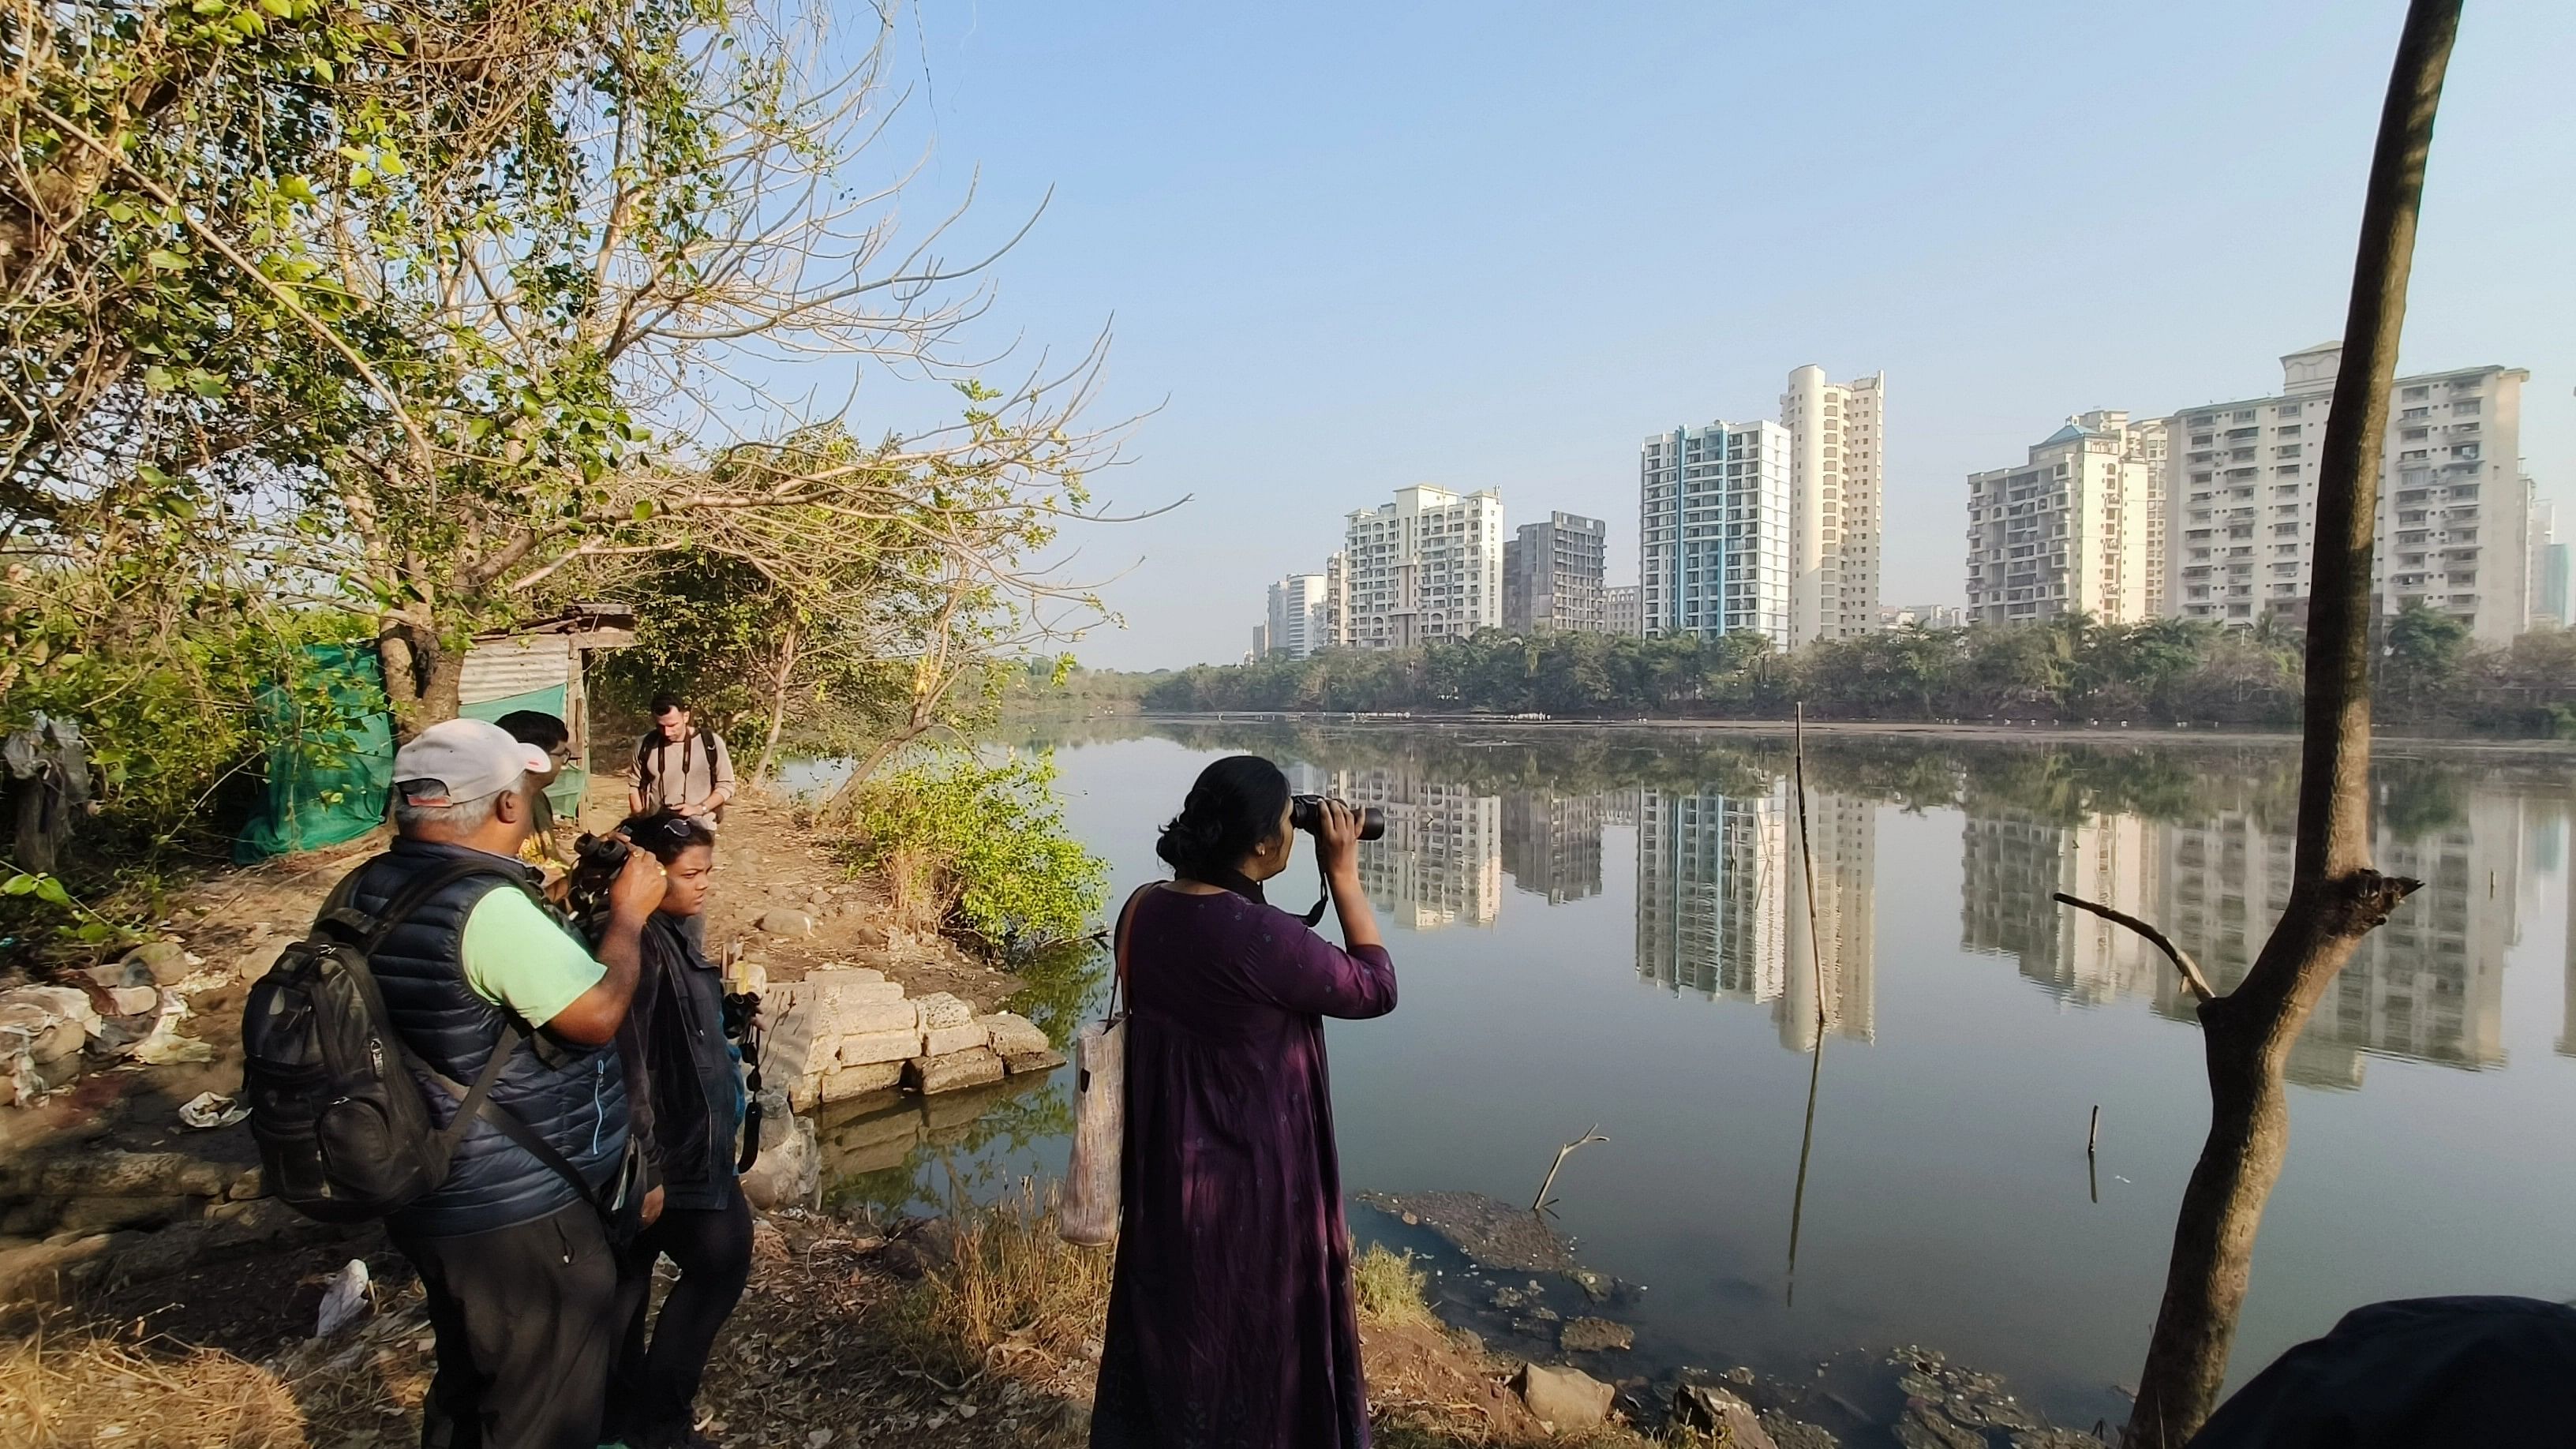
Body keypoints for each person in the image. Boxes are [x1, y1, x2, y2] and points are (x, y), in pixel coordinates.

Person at [348, 717, 665, 1449]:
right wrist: (627, 917)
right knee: (541, 1411)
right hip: (516, 1211)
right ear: (504, 807)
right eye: (523, 787)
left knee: (472, 1385)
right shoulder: (483, 906)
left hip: (430, 1184)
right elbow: (597, 1014)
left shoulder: (370, 887)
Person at [1091, 754, 1398, 1449]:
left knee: (1179, 1315)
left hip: (1168, 1172)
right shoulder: (1261, 940)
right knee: (1258, 1328)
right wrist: (1343, 875)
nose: (1297, 832)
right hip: (1254, 1179)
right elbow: (1376, 987)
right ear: (1263, 844)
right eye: (1289, 820)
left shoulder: (1143, 907)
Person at [600, 810, 754, 1449]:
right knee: (720, 1262)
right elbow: (627, 1061)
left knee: (627, 1280)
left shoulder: (669, 933)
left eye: (708, 871)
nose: (705, 885)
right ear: (647, 874)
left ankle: (615, 1415)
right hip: (669, 1155)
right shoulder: (634, 945)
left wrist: (725, 1021)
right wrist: (649, 1164)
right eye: (693, 874)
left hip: (675, 1148)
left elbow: (680, 1040)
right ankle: (658, 1426)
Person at [627, 695, 734, 822]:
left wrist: (699, 809)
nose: (667, 732)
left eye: (672, 725)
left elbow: (726, 785)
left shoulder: (711, 743)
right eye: (660, 726)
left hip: (700, 827)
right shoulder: (645, 744)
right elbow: (635, 785)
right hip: (658, 826)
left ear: (686, 716)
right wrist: (640, 821)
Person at [495, 710, 575, 869]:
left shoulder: (538, 798)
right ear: (536, 759)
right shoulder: (494, 807)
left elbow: (550, 861)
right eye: (562, 754)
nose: (563, 763)